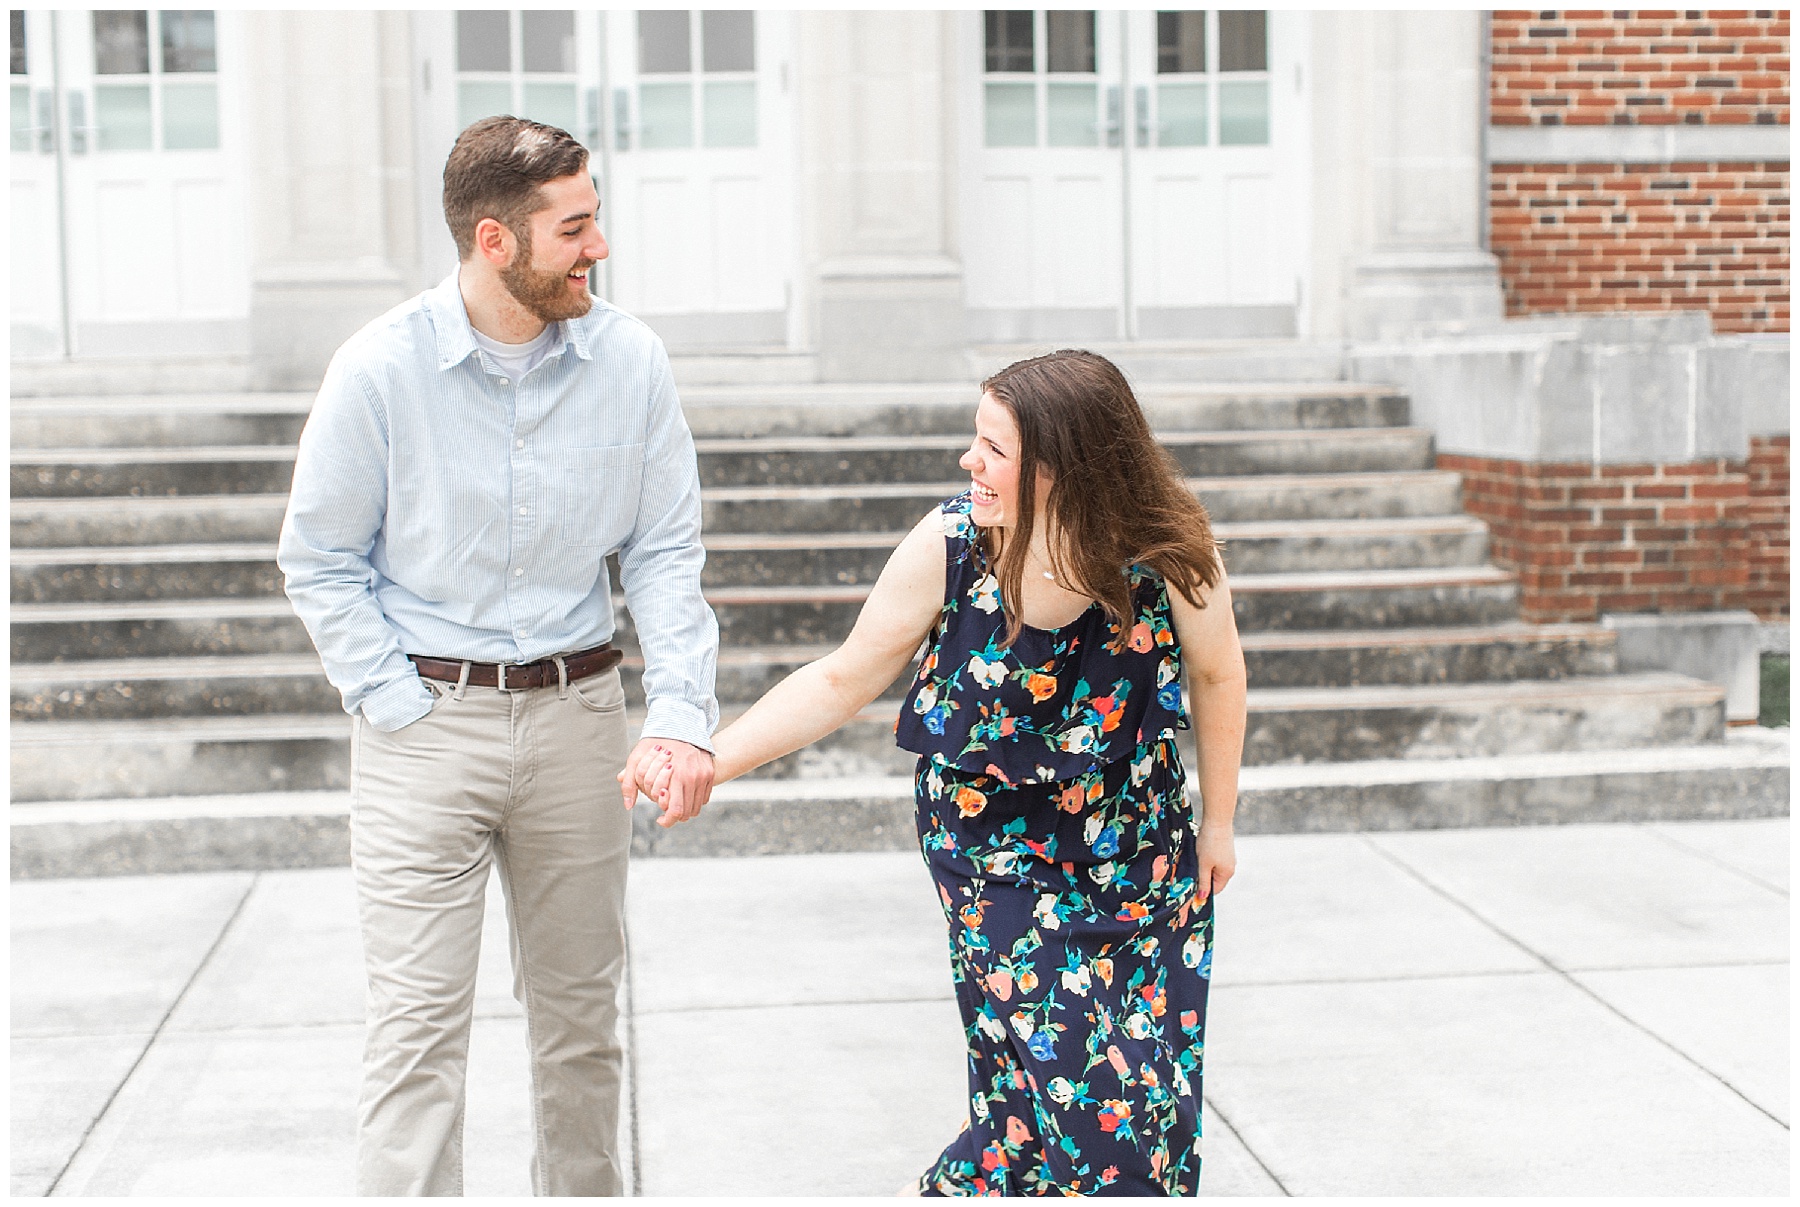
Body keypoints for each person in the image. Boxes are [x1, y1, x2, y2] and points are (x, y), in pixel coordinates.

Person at [623, 349, 1248, 1195]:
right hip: (993, 856)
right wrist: (710, 758)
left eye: (993, 448)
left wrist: (1218, 821)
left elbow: (1217, 674)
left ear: (1061, 467)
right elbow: (844, 676)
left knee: (1141, 1089)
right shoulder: (953, 546)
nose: (969, 461)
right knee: (1091, 1099)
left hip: (1142, 850)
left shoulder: (1165, 550)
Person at [279, 115, 718, 1196]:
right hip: (425, 729)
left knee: (582, 1027)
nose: (598, 246)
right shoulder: (379, 372)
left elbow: (663, 554)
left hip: (579, 723)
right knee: (416, 1035)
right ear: (495, 241)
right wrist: (396, 704)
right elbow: (320, 555)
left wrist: (679, 714)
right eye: (575, 227)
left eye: (596, 217)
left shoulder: (632, 362)